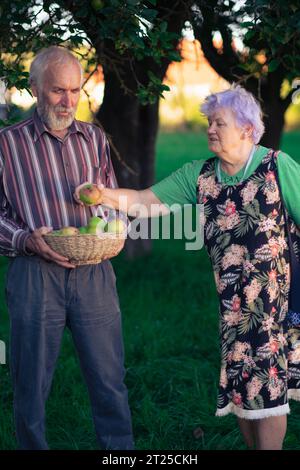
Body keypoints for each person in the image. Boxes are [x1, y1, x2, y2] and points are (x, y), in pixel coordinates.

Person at [75, 84, 300, 450]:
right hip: (231, 307)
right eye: (209, 122)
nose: (210, 129)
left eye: (219, 123)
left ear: (246, 129)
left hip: (275, 305)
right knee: (240, 381)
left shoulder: (276, 167)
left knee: (267, 380)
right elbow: (145, 201)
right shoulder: (201, 176)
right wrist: (102, 195)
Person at [0, 46, 134, 450]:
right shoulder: (7, 144)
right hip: (34, 275)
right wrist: (25, 239)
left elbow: (110, 200)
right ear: (34, 88)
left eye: (76, 90)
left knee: (110, 380)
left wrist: (114, 225)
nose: (69, 101)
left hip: (94, 273)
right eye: (58, 90)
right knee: (31, 387)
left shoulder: (93, 138)